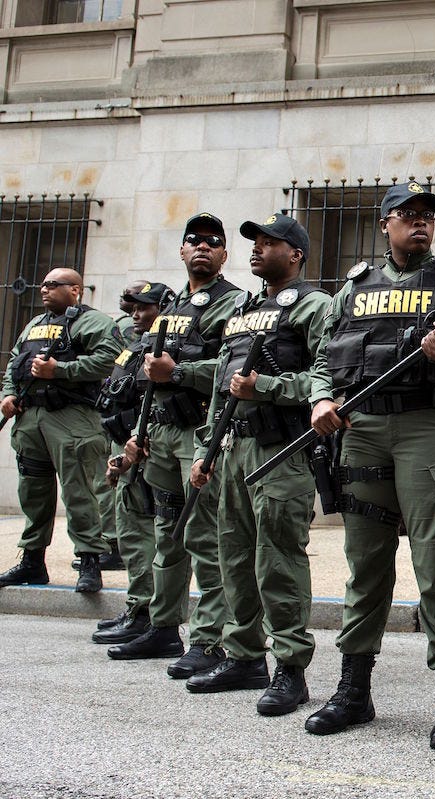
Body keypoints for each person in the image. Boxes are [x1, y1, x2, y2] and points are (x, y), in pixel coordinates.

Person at [305, 181, 435, 749]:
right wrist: (321, 397)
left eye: (428, 216)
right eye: (408, 215)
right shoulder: (353, 288)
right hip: (363, 430)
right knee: (365, 565)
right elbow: (325, 356)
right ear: (385, 224)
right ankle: (353, 691)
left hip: (431, 431)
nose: (420, 223)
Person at [183, 213, 331, 717]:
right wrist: (206, 448)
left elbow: (330, 381)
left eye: (270, 243)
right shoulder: (243, 312)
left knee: (279, 560)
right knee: (234, 557)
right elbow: (222, 388)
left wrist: (266, 387)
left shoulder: (315, 307)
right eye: (255, 243)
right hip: (233, 450)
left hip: (281, 453)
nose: (257, 250)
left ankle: (290, 668)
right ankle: (244, 656)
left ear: (295, 254)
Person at [108, 213, 242, 682]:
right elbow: (147, 377)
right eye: (193, 241)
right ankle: (164, 626)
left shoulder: (234, 304)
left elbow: (229, 371)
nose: (201, 247)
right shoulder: (171, 307)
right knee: (167, 529)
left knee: (204, 534)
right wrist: (137, 433)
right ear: (181, 252)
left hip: (198, 429)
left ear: (225, 254)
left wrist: (179, 371)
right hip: (159, 432)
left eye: (212, 242)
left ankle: (210, 639)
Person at [0, 268, 121, 593]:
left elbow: (109, 360)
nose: (45, 289)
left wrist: (60, 370)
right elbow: (14, 362)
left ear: (76, 290)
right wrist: (8, 394)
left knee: (80, 492)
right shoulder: (34, 325)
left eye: (54, 285)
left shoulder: (94, 322)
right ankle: (32, 562)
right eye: (43, 284)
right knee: (33, 494)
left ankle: (90, 561)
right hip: (30, 420)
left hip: (72, 419)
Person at [92, 282, 172, 645]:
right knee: (130, 532)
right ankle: (138, 606)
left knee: (147, 535)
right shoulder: (134, 344)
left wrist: (135, 445)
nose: (136, 314)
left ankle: (149, 614)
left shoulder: (162, 348)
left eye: (145, 307)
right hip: (125, 444)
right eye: (133, 308)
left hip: (145, 449)